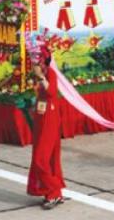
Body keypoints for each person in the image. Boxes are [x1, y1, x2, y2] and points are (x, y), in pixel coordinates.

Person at [27, 44, 65, 210]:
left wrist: (41, 77)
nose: (35, 63)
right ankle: (53, 194)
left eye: (37, 60)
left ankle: (54, 189)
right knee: (48, 158)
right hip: (41, 118)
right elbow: (41, 95)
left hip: (50, 118)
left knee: (41, 159)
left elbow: (52, 93)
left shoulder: (51, 74)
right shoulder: (38, 75)